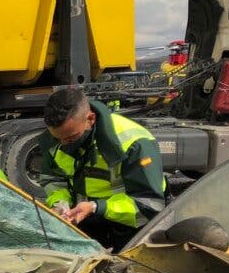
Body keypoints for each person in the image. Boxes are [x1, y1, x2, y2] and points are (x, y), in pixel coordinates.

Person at [39, 86, 166, 250]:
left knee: (127, 269)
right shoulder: (57, 138)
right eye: (58, 138)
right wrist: (60, 204)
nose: (63, 144)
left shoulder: (135, 143)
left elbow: (149, 205)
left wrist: (97, 207)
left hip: (130, 222)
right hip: (85, 216)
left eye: (71, 138)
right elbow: (54, 180)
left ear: (90, 119)